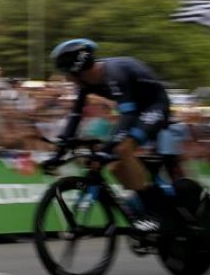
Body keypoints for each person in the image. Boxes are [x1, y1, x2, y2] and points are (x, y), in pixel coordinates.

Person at [48, 39, 172, 231]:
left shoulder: (114, 74)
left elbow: (128, 115)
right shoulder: (86, 83)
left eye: (68, 75)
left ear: (79, 71)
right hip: (135, 110)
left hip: (155, 106)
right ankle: (141, 200)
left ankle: (154, 210)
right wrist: (58, 153)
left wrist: (106, 149)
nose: (67, 79)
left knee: (122, 148)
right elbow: (75, 117)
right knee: (114, 167)